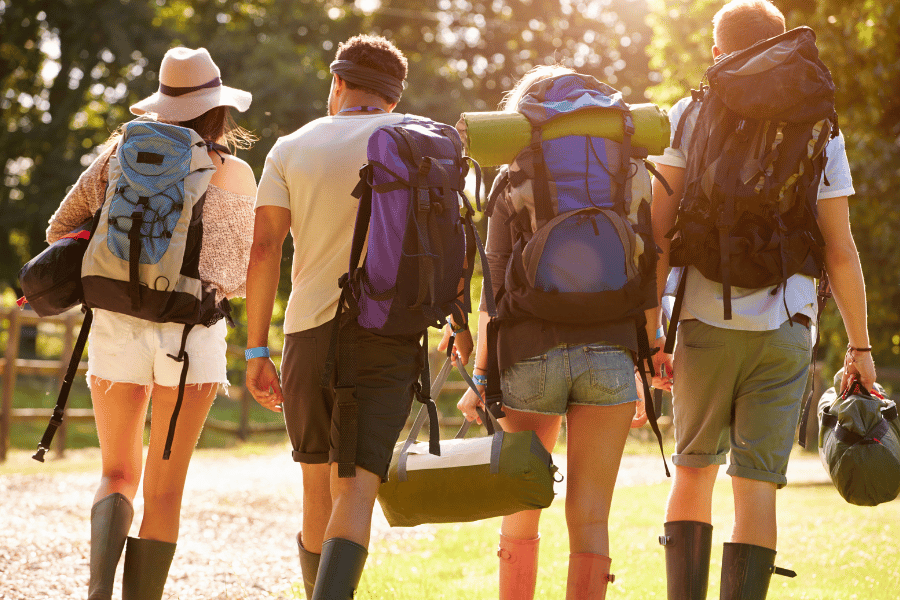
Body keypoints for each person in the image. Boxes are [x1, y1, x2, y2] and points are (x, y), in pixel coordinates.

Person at [649, 2, 877, 599]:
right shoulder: (819, 122)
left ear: (718, 49)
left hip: (703, 319)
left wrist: (649, 332)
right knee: (755, 485)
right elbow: (840, 250)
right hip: (786, 323)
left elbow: (657, 237)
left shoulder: (688, 113)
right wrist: (861, 346)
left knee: (695, 470)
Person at [244, 35, 470, 600]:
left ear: (338, 83)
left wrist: (255, 350)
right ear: (394, 96)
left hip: (308, 334)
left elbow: (264, 247)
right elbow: (455, 244)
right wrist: (460, 326)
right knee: (357, 489)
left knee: (315, 484)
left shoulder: (291, 146)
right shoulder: (420, 141)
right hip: (387, 333)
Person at [45, 47, 257, 600]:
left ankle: (97, 592)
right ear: (218, 108)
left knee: (116, 475)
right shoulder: (233, 172)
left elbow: (59, 229)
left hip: (116, 325)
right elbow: (231, 276)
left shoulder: (119, 153)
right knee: (164, 493)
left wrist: (119, 257)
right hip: (192, 336)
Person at [456, 65, 661, 600]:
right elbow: (646, 278)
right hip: (611, 355)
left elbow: (493, 288)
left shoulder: (513, 175)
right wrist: (644, 361)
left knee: (521, 507)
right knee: (591, 517)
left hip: (530, 354)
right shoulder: (633, 173)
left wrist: (480, 376)